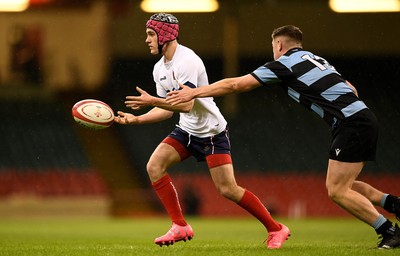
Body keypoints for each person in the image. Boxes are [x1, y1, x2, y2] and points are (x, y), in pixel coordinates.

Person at [166, 25, 400, 249]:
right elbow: (351, 87)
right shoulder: (318, 60)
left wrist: (194, 92)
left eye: (272, 45)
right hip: (363, 117)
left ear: (278, 44)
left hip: (351, 124)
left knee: (337, 190)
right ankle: (394, 204)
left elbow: (237, 84)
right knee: (345, 185)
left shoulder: (284, 64)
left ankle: (389, 232)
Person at [114, 13, 290, 249]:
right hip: (187, 130)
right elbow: (167, 111)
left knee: (228, 189)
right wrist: (137, 120)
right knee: (154, 166)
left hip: (211, 132)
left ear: (165, 34)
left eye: (150, 34)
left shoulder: (187, 60)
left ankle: (276, 228)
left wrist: (152, 101)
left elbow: (185, 103)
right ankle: (179, 225)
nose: (146, 40)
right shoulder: (159, 69)